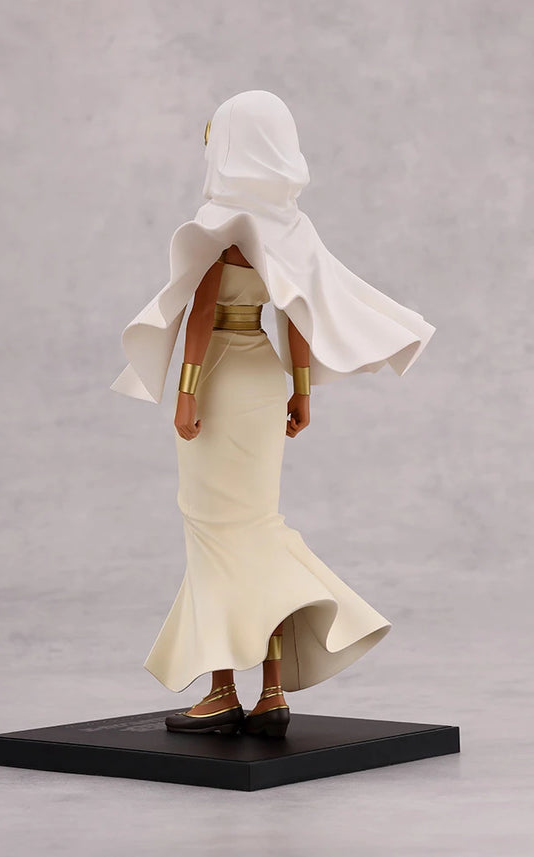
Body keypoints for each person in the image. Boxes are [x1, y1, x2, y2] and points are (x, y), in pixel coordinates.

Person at [110, 91, 436, 738]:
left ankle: (222, 691)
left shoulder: (221, 222)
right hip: (265, 375)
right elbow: (298, 313)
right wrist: (303, 391)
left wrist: (185, 391)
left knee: (215, 533)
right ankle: (272, 691)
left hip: (222, 377)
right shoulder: (291, 227)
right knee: (254, 525)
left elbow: (203, 312)